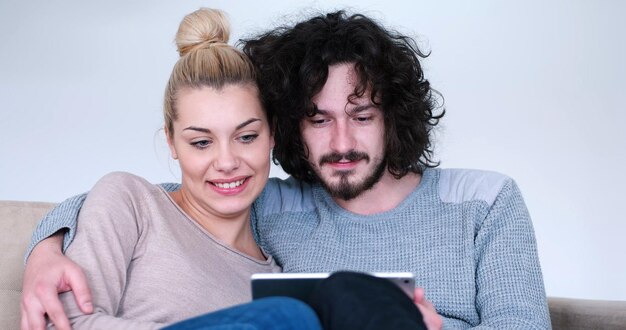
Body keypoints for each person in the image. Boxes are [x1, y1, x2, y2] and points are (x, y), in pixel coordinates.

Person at [22, 10, 550, 329]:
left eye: (362, 116)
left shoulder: (485, 202)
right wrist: (47, 244)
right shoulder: (277, 204)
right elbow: (164, 200)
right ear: (290, 128)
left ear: (394, 114)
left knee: (340, 301)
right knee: (298, 315)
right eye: (318, 120)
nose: (342, 142)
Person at [20, 7, 324, 330]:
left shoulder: (272, 279)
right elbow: (67, 323)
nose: (227, 162)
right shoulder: (133, 203)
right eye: (201, 143)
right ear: (171, 141)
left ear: (272, 134)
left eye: (246, 137)